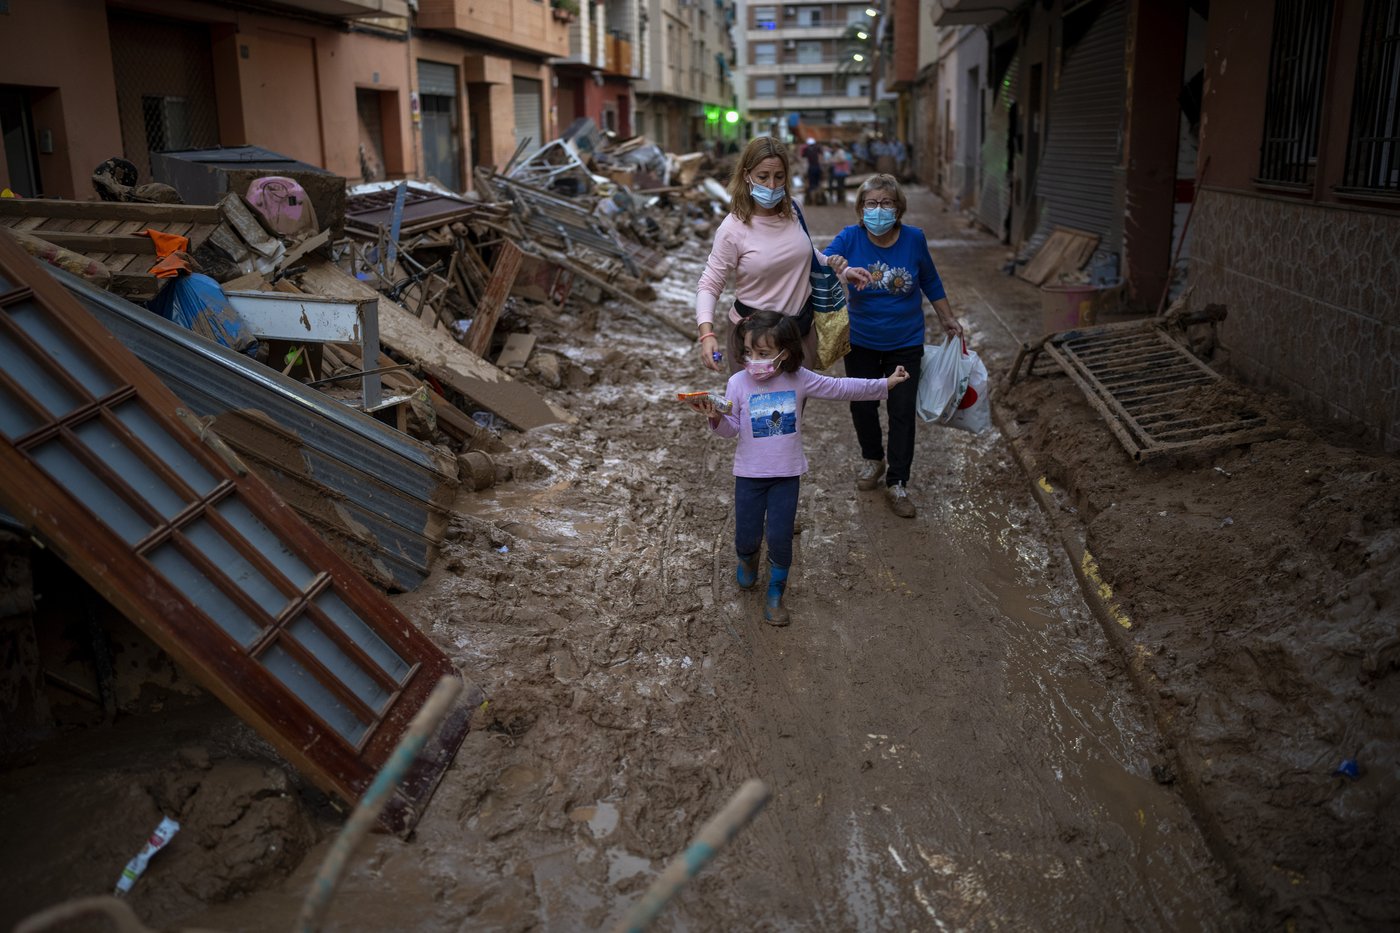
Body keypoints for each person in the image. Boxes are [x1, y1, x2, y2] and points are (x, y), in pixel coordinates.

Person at [685, 310, 909, 624]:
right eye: (748, 353)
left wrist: (885, 383)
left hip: (786, 476)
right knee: (746, 536)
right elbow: (732, 427)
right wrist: (715, 417)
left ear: (784, 353)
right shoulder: (737, 382)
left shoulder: (799, 378)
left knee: (779, 537)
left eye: (762, 354)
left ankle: (776, 594)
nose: (753, 360)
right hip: (748, 476)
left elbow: (841, 388)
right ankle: (747, 560)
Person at [826, 173, 963, 519]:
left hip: (905, 342)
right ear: (860, 209)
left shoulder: (914, 239)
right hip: (861, 341)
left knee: (902, 412)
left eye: (886, 203)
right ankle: (873, 458)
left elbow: (930, 279)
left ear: (899, 208)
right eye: (871, 203)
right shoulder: (849, 238)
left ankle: (897, 481)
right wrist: (837, 267)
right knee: (862, 407)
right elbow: (820, 263)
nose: (878, 209)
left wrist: (947, 318)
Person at [694, 136, 867, 375]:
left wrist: (841, 270)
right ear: (747, 175)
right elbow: (710, 283)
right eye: (763, 177)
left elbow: (803, 251)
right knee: (753, 412)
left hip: (799, 334)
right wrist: (707, 334)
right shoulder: (733, 228)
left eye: (779, 176)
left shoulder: (794, 209)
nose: (772, 185)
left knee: (794, 412)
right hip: (753, 342)